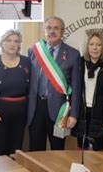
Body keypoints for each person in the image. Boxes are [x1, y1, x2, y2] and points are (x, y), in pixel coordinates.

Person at [27, 16, 81, 151]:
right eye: (49, 28)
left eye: (56, 28)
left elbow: (76, 86)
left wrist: (73, 114)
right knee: (35, 150)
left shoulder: (73, 54)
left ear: (62, 31)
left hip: (59, 110)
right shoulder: (33, 51)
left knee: (57, 150)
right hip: (36, 108)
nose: (52, 31)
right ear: (44, 31)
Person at [0, 29, 30, 156]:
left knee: (16, 149)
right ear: (2, 43)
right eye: (8, 40)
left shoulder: (27, 62)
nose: (12, 44)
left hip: (20, 112)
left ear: (20, 44)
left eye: (16, 41)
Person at [72, 32, 103, 151]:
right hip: (82, 112)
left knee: (98, 151)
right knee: (81, 149)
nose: (94, 48)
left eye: (98, 44)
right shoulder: (80, 63)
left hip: (99, 114)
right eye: (91, 44)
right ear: (87, 47)